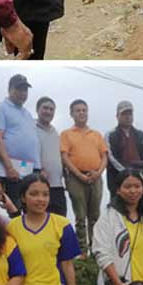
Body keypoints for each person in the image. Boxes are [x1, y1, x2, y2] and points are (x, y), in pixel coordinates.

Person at [60, 99, 109, 251]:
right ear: (72, 113)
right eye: (78, 110)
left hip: (95, 177)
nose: (81, 113)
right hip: (76, 178)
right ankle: (82, 250)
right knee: (80, 216)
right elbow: (65, 157)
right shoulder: (66, 134)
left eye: (84, 110)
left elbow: (104, 156)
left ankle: (96, 249)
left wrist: (98, 173)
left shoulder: (96, 134)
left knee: (95, 216)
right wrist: (78, 175)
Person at [0, 75, 40, 201]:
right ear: (10, 89)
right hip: (9, 171)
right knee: (13, 210)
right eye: (19, 89)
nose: (22, 93)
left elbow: (32, 142)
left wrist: (38, 168)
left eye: (25, 90)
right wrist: (9, 168)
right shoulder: (0, 108)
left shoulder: (27, 114)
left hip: (28, 170)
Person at [108, 100, 143, 195]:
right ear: (117, 116)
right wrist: (126, 172)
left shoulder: (141, 134)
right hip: (118, 179)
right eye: (124, 114)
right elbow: (111, 157)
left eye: (130, 114)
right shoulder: (110, 135)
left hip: (140, 177)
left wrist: (140, 171)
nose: (127, 117)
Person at [33, 98, 68, 216]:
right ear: (37, 110)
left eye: (51, 109)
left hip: (57, 185)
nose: (48, 112)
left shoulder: (55, 132)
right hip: (39, 185)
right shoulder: (30, 128)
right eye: (45, 108)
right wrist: (37, 170)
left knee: (60, 221)